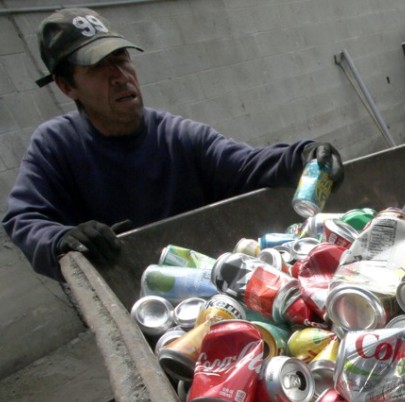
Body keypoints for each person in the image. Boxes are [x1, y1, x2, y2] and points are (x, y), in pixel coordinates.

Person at [2, 7, 344, 281]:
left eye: (121, 59)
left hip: (204, 277)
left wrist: (303, 155)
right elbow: (24, 219)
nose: (119, 75)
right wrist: (61, 239)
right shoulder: (55, 145)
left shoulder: (175, 135)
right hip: (129, 292)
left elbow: (242, 163)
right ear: (67, 86)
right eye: (98, 68)